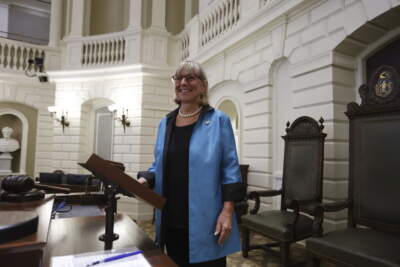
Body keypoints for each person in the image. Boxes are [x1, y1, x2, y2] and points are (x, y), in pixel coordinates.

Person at [137, 61, 244, 266]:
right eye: (178, 78)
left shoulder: (219, 120)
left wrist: (227, 212)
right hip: (171, 219)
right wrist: (145, 179)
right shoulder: (165, 123)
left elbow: (230, 169)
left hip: (207, 220)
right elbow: (158, 165)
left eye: (190, 78)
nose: (183, 82)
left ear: (203, 86)